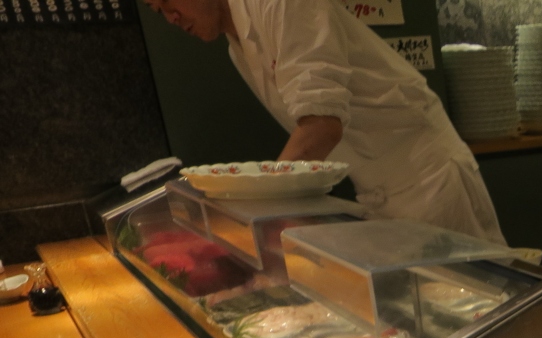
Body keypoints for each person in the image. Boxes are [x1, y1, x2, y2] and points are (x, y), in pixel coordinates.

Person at [145, 0, 507, 243]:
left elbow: (321, 127)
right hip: (377, 191)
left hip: (429, 180)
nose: (170, 17)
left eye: (168, 0)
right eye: (157, 10)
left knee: (478, 308)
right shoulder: (237, 48)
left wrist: (263, 218)